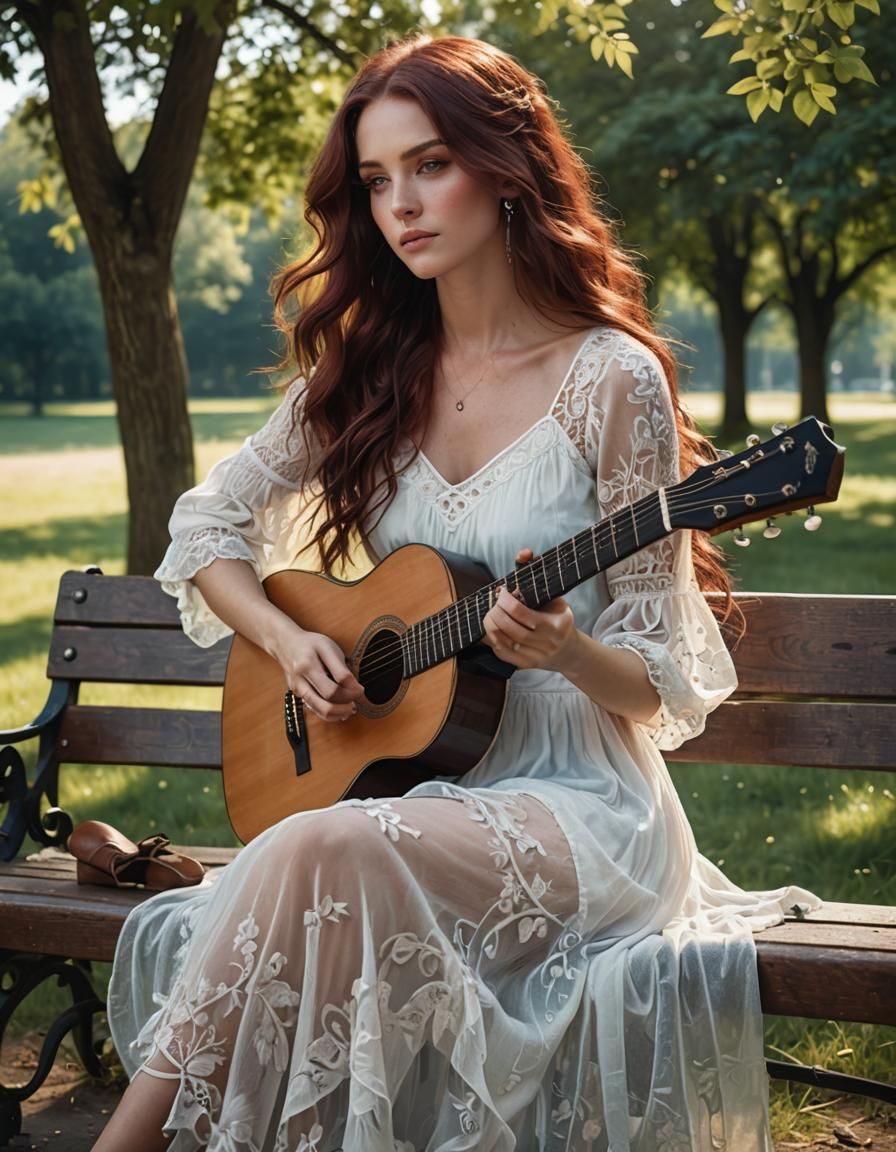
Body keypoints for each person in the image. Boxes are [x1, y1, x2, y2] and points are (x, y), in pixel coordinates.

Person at [96, 34, 820, 1152]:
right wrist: (291, 645)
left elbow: (660, 684)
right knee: (316, 857)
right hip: (407, 787)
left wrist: (564, 651)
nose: (400, 206)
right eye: (375, 182)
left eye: (428, 165)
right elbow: (204, 528)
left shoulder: (610, 378)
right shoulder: (365, 370)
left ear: (505, 164)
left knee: (308, 856)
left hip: (580, 801)